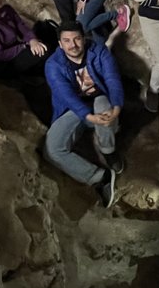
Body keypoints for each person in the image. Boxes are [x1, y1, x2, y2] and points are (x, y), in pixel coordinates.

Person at [43, 22, 125, 198]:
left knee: (106, 111)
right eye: (67, 41)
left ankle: (108, 150)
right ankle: (100, 177)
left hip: (99, 98)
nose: (73, 45)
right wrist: (88, 116)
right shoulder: (53, 65)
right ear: (60, 44)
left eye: (77, 39)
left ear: (84, 38)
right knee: (53, 149)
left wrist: (117, 106)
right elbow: (66, 96)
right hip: (72, 108)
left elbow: (112, 79)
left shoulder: (99, 51)